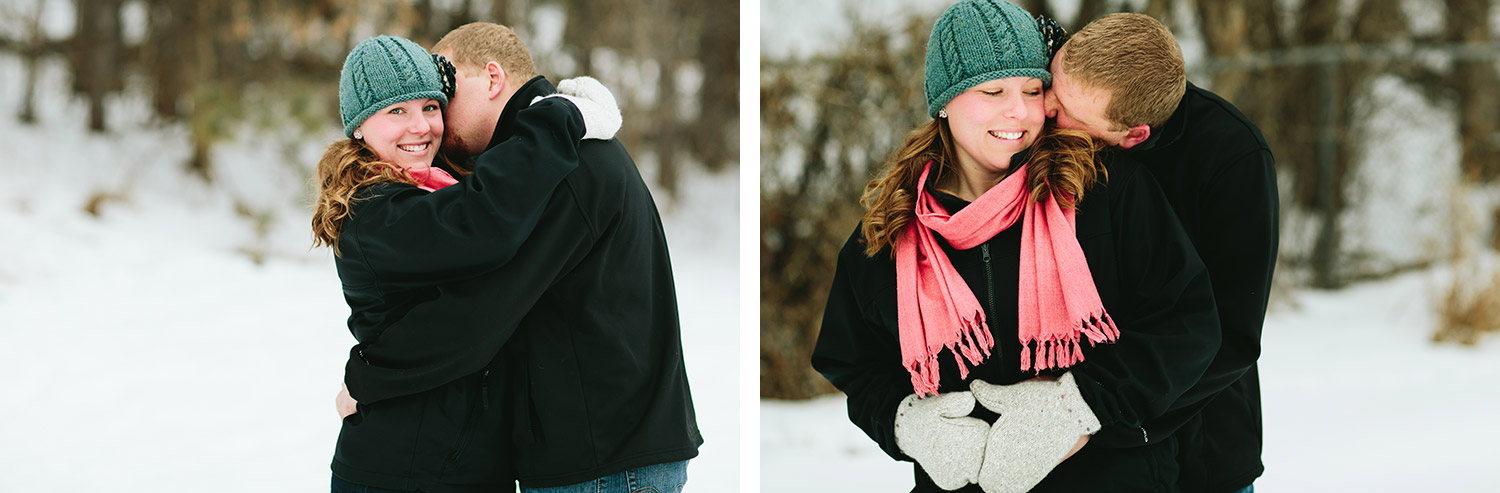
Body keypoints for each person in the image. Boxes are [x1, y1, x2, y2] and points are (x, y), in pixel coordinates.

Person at [811, 1, 1222, 491]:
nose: (1020, 111)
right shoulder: (891, 233)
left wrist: (1076, 410)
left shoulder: (1102, 189)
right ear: (945, 101)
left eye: (1033, 90)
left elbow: (1186, 325)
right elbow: (857, 366)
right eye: (993, 91)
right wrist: (907, 426)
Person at [335, 23, 702, 493]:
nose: (434, 119)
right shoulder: (542, 162)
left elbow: (477, 313)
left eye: (442, 93)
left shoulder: (562, 167)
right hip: (599, 454)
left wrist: (367, 375)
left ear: (491, 79)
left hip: (603, 463)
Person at [1044, 13, 1279, 493]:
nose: (1044, 107)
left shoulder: (1232, 159)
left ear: (1132, 136)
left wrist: (1098, 416)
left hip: (1198, 445)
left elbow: (1231, 335)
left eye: (1065, 108)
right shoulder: (1043, 122)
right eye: (1053, 81)